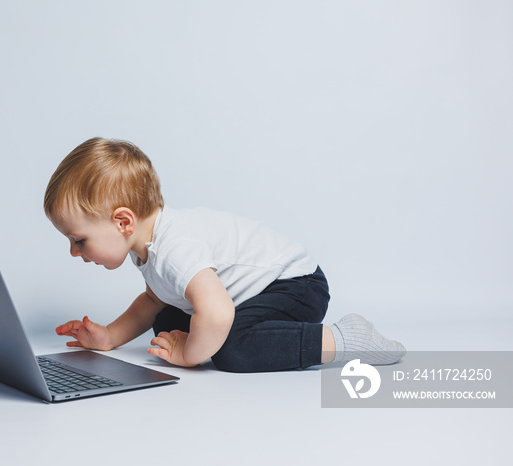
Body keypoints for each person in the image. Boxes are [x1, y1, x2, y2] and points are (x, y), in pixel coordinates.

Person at [43, 137, 405, 372]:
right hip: (256, 288)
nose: (74, 252)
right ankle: (231, 339)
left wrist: (189, 354)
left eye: (79, 240)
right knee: (166, 320)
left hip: (295, 284)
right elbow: (151, 301)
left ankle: (344, 338)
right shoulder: (149, 243)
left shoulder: (174, 249)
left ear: (123, 222)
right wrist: (107, 336)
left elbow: (217, 313)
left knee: (231, 350)